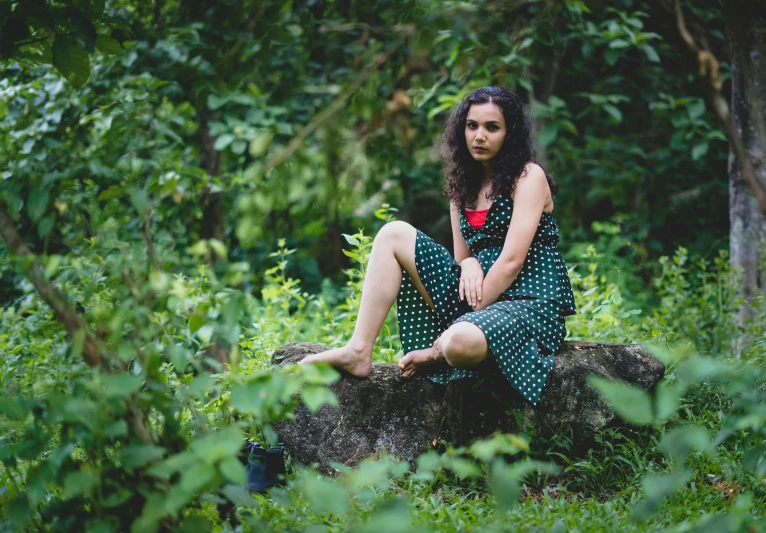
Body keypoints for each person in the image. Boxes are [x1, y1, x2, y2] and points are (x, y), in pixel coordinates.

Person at [301, 86, 576, 405]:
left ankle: (440, 352)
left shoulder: (528, 177)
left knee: (459, 341)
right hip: (475, 300)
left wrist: (458, 325)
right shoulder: (463, 184)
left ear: (510, 133)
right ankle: (359, 350)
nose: (480, 136)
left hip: (527, 302)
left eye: (492, 127)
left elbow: (512, 260)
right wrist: (470, 264)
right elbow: (462, 257)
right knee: (393, 233)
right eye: (472, 126)